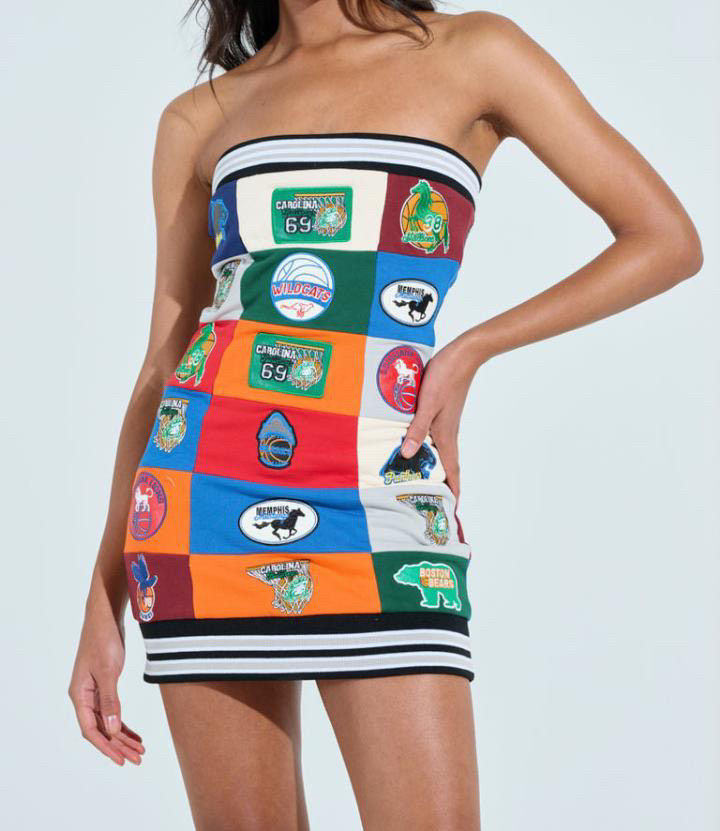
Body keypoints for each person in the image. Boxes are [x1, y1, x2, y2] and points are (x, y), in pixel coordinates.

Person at [68, 2, 703, 829]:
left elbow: (665, 238)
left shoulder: (473, 52)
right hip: (199, 511)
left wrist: (471, 350)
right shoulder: (200, 116)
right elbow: (164, 363)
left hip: (384, 497)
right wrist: (102, 598)